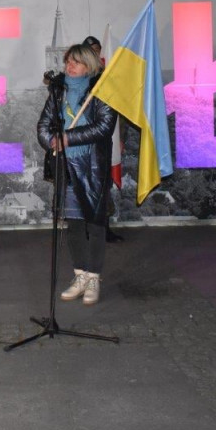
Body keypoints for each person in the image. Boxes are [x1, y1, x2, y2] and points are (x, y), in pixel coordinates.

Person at [37, 43, 117, 306]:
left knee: (94, 223)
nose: (69, 66)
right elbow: (44, 125)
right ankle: (80, 275)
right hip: (66, 167)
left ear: (90, 66)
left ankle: (93, 277)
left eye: (76, 62)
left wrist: (67, 138)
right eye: (68, 61)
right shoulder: (58, 91)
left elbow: (104, 126)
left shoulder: (102, 90)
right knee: (73, 223)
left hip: (92, 166)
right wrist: (51, 140)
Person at [82, 35, 125, 244]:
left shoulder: (106, 78)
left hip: (103, 142)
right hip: (83, 143)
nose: (96, 54)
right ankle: (88, 231)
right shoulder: (77, 78)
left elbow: (116, 112)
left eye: (98, 50)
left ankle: (105, 230)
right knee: (86, 187)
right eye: (91, 51)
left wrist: (120, 138)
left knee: (104, 188)